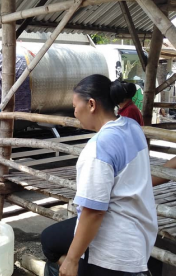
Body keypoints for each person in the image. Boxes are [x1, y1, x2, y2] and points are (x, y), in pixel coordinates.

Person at [41, 74, 157, 276]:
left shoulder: (98, 148)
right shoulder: (132, 127)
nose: (74, 112)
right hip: (140, 232)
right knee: (49, 240)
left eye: (75, 106)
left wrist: (71, 260)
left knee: (58, 258)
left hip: (115, 249)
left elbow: (94, 212)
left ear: (91, 104)